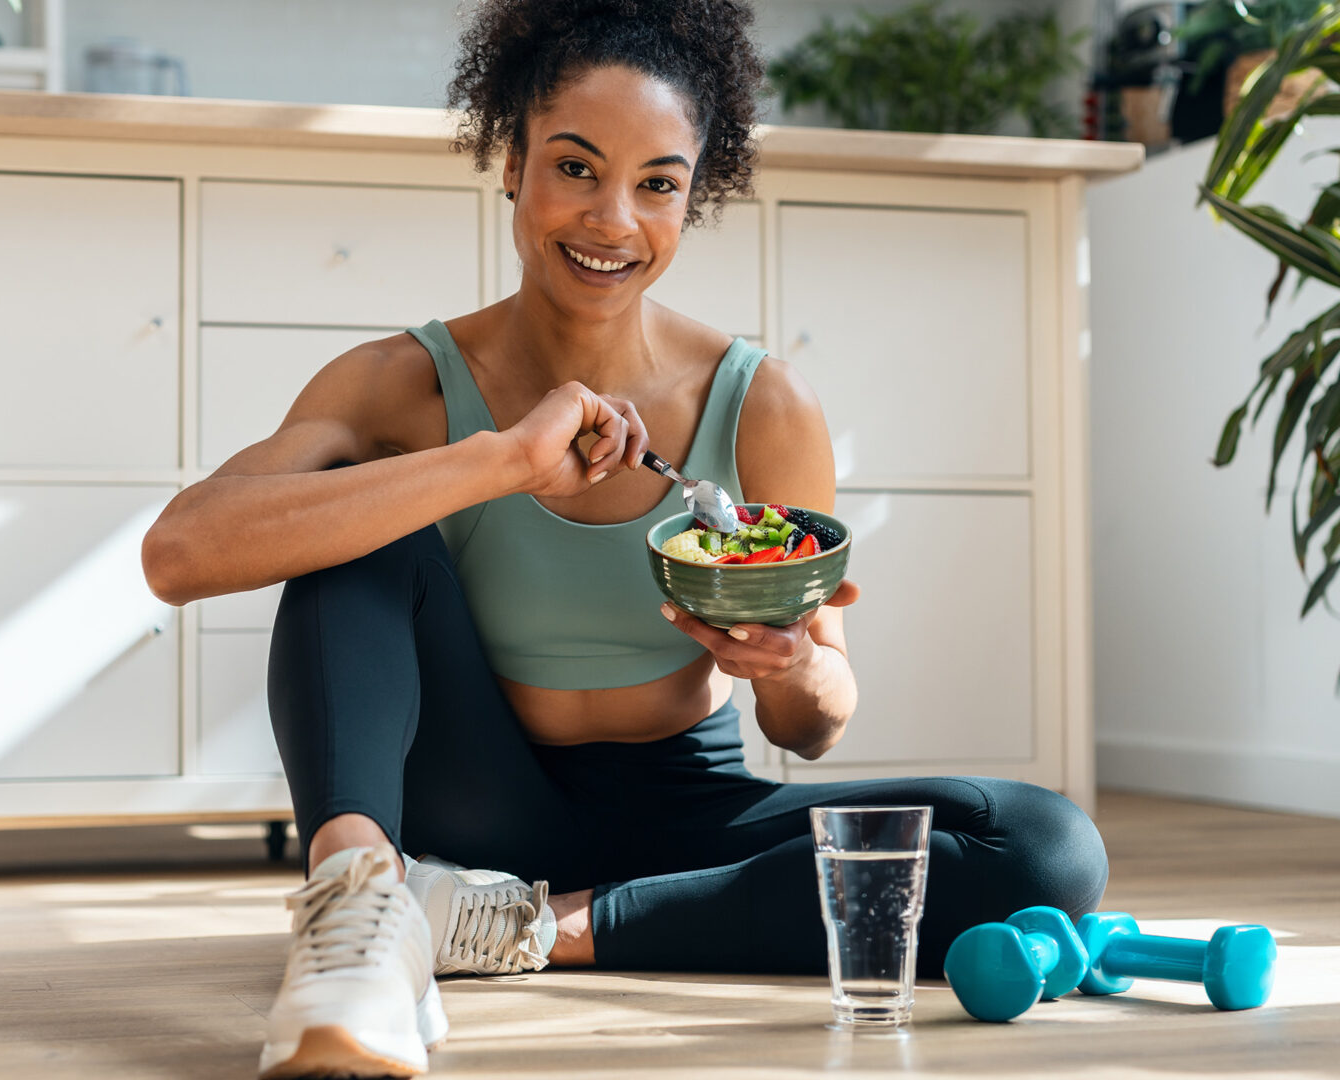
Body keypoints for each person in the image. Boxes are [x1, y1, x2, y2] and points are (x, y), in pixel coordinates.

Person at [141, 1, 1108, 1076]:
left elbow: (821, 719)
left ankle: (517, 929)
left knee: (1046, 848)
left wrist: (785, 663)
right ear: (510, 162)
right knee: (361, 517)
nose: (613, 220)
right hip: (476, 798)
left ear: (693, 197)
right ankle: (361, 913)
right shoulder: (399, 383)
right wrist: (497, 459)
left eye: (658, 183)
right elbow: (178, 553)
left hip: (689, 811)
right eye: (575, 167)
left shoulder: (762, 402)